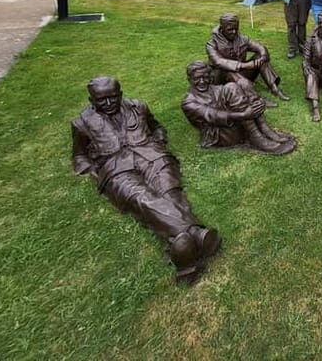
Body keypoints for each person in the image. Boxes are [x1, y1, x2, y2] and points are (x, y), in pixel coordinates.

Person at [71, 76, 221, 283]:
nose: (108, 103)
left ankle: (181, 249)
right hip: (117, 169)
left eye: (113, 98)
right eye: (101, 100)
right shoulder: (81, 123)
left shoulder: (138, 107)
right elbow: (79, 156)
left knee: (170, 190)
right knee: (142, 197)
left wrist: (158, 142)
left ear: (120, 94)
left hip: (153, 157)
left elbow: (157, 127)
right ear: (92, 100)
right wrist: (94, 173)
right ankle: (194, 233)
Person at [182, 61, 296, 154]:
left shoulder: (212, 88)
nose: (202, 81)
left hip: (235, 122)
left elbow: (235, 94)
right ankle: (256, 137)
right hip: (221, 134)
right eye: (197, 78)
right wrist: (243, 115)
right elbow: (213, 115)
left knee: (243, 83)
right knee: (231, 87)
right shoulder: (188, 102)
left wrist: (256, 101)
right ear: (189, 79)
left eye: (205, 77)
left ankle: (264, 128)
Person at [206, 13, 289, 102]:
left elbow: (260, 47)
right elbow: (218, 61)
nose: (234, 32)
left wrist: (263, 56)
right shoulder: (212, 44)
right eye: (230, 29)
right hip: (223, 78)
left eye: (236, 29)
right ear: (222, 28)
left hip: (241, 74)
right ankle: (256, 99)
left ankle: (274, 88)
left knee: (259, 57)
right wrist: (245, 65)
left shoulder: (242, 39)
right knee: (230, 71)